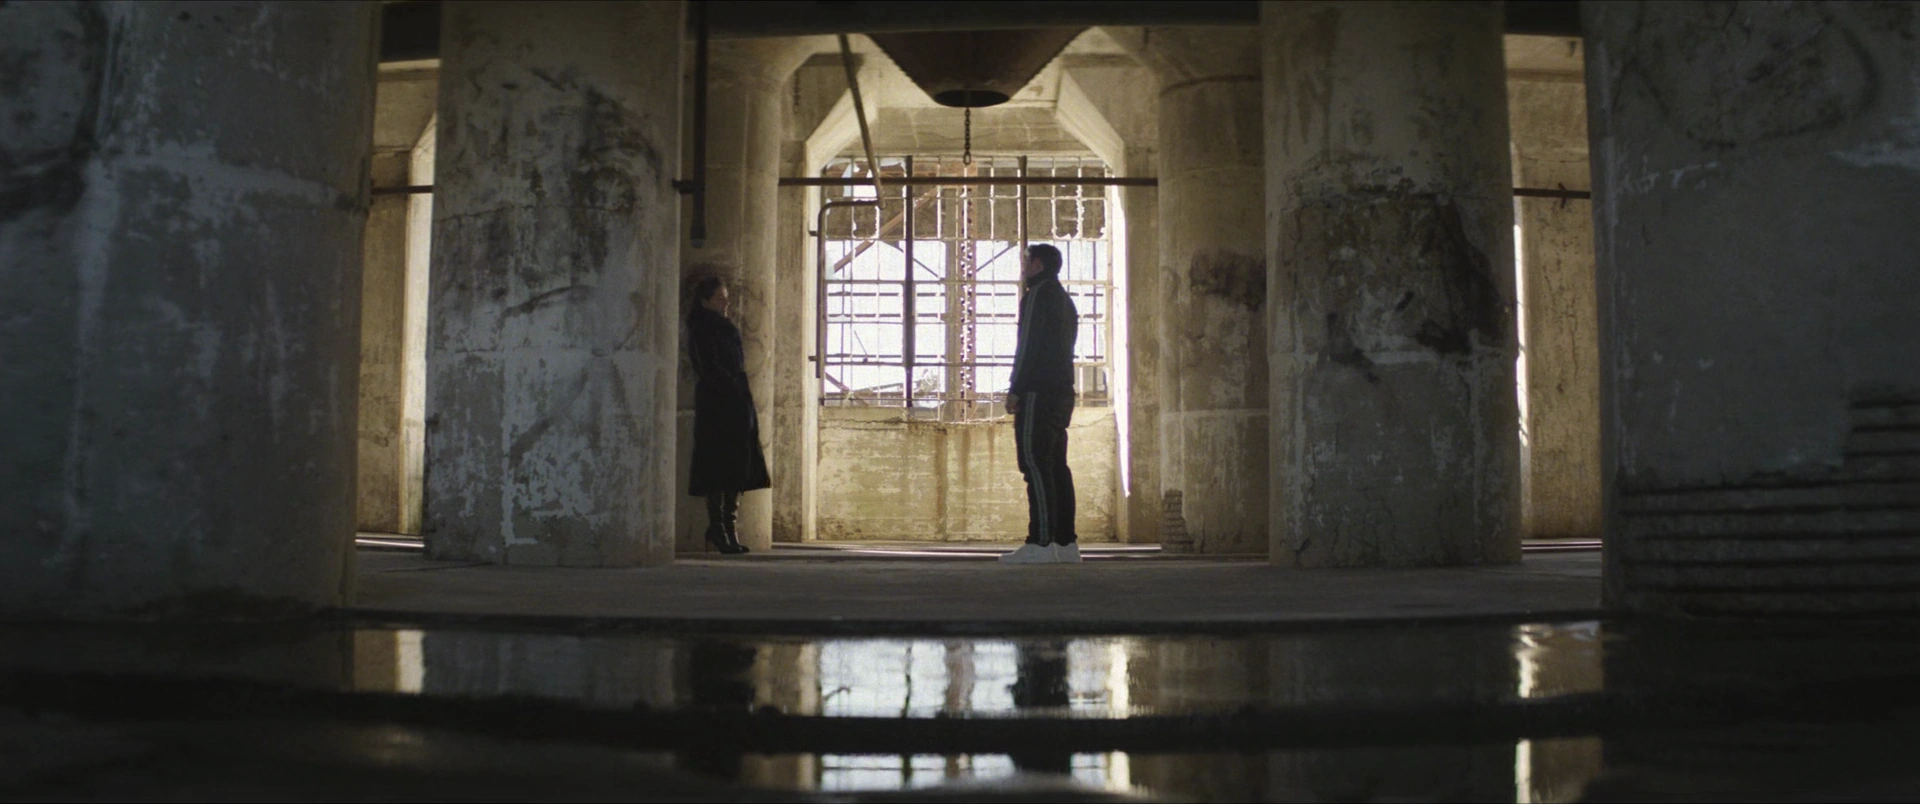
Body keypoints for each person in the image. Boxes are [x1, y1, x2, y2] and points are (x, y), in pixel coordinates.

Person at [1000, 244, 1081, 564]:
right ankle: (1066, 544)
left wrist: (1015, 388)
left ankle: (1041, 542)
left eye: (1026, 261)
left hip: (1038, 392)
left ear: (1038, 264)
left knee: (1034, 464)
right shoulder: (1065, 299)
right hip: (1062, 393)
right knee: (1056, 466)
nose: (1023, 268)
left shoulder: (1037, 296)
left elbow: (1027, 346)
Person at [686, 276, 770, 555]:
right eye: (719, 299)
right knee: (717, 466)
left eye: (726, 298)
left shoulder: (723, 327)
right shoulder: (702, 328)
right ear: (705, 301)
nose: (726, 304)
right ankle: (718, 529)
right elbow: (708, 367)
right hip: (717, 404)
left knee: (737, 465)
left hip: (735, 401)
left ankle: (728, 528)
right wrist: (730, 386)